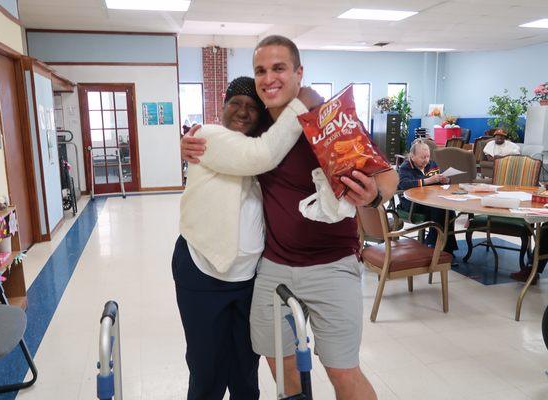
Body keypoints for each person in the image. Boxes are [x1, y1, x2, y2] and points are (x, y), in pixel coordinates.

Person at [183, 35, 399, 400]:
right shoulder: (256, 128)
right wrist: (188, 141)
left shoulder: (330, 122)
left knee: (343, 371)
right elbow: (232, 145)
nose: (269, 78)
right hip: (274, 267)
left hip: (332, 265)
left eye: (279, 68)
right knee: (283, 375)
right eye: (261, 71)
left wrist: (374, 195)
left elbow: (388, 176)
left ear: (299, 72)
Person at [173, 76, 323, 400]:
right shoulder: (209, 136)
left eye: (252, 107)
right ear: (222, 107)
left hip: (248, 279)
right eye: (235, 103)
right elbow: (260, 156)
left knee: (245, 369)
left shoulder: (262, 143)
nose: (242, 111)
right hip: (203, 271)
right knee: (206, 370)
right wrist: (302, 101)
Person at [397, 139, 458, 253]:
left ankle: (446, 249)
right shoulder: (406, 167)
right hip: (412, 203)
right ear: (412, 156)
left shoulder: (432, 164)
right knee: (439, 209)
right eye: (422, 157)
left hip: (429, 199)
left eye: (428, 157)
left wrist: (445, 180)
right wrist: (428, 180)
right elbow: (404, 184)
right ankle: (432, 244)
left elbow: (439, 180)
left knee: (449, 211)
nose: (426, 160)